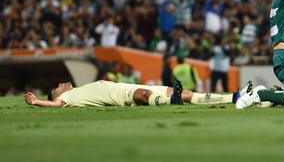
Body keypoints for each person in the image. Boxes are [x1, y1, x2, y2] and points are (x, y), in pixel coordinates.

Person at [24, 80, 253, 108]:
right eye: (58, 86)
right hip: (123, 95)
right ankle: (169, 102)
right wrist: (37, 102)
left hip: (128, 86)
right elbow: (57, 106)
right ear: (56, 95)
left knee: (188, 93)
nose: (62, 83)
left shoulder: (80, 89)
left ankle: (234, 97)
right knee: (142, 95)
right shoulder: (69, 98)